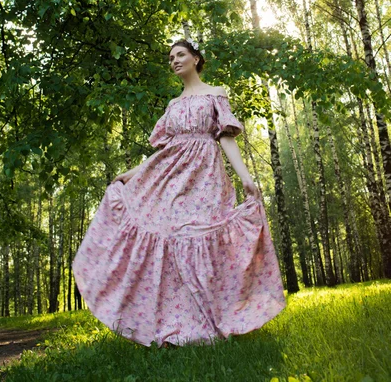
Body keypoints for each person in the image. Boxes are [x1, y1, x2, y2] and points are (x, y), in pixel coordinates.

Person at [72, 39, 286, 349]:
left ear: (197, 58)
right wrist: (131, 175)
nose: (174, 60)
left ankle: (216, 322)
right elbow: (163, 151)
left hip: (206, 178)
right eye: (171, 57)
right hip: (171, 178)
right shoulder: (173, 106)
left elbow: (226, 139)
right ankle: (175, 325)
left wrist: (246, 177)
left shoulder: (216, 93)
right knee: (172, 241)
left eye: (180, 54)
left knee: (201, 238)